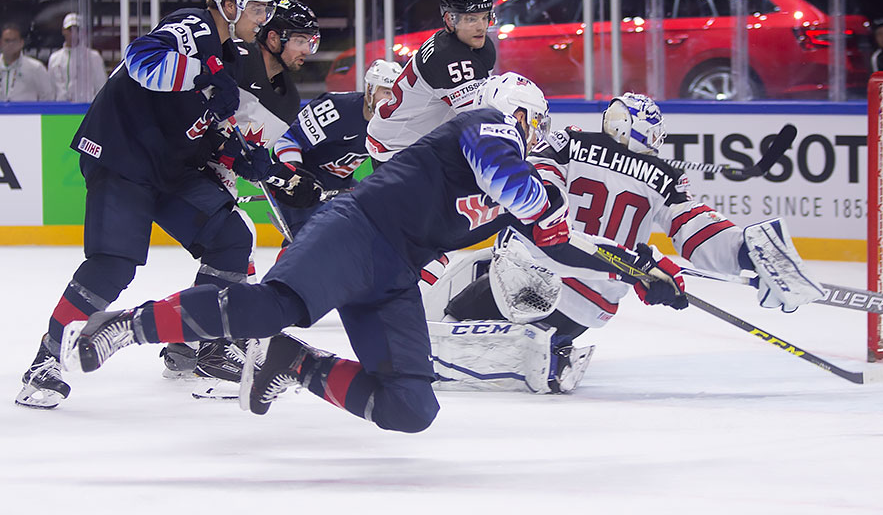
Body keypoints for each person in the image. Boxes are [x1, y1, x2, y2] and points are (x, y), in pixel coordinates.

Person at [61, 73, 688, 433]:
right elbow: (512, 184)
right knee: (271, 305)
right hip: (357, 228)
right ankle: (132, 325)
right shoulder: (484, 125)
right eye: (536, 123)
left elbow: (565, 243)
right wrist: (545, 204)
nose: (538, 136)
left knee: (411, 406)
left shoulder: (519, 186)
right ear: (519, 113)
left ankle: (295, 365)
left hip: (392, 272)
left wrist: (639, 269)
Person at [14, 0, 278, 409]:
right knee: (113, 265)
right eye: (258, 8)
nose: (264, 18)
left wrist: (238, 155)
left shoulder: (231, 57)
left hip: (170, 170)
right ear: (229, 3)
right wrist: (206, 74)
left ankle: (207, 346)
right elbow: (141, 59)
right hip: (122, 158)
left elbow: (201, 126)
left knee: (231, 237)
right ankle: (47, 359)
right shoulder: (192, 26)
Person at [435, 93, 826, 393]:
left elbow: (536, 200)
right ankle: (551, 349)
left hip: (536, 275)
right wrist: (744, 253)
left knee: (451, 323)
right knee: (536, 330)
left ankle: (539, 356)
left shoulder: (569, 143)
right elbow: (697, 234)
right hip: (589, 307)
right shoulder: (665, 178)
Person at [158, 0, 323, 386]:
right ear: (271, 36)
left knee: (234, 241)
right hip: (171, 161)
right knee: (236, 238)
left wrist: (279, 175)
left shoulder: (288, 99)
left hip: (210, 169)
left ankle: (191, 340)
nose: (307, 50)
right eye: (300, 39)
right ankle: (205, 339)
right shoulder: (233, 58)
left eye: (311, 42)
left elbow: (248, 154)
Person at [365, 0, 497, 164]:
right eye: (471, 19)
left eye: (484, 17)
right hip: (396, 148)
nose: (481, 26)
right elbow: (477, 120)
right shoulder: (446, 56)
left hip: (413, 140)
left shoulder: (476, 47)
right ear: (450, 20)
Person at [272, 58, 401, 237]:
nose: (391, 101)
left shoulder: (395, 125)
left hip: (341, 184)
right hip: (303, 183)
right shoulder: (337, 109)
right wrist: (295, 174)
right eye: (386, 92)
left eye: (397, 95)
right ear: (370, 90)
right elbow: (287, 136)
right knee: (307, 243)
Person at [46, 12, 108, 101]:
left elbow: (101, 87)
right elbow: (51, 90)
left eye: (77, 30)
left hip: (86, 108)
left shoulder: (94, 57)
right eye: (70, 30)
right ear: (63, 31)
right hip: (61, 110)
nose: (73, 33)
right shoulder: (55, 59)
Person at [1, 21, 54, 101]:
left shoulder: (35, 68)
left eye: (14, 41)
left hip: (28, 113)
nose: (10, 44)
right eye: (7, 41)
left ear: (21, 43)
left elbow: (48, 97)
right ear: (1, 43)